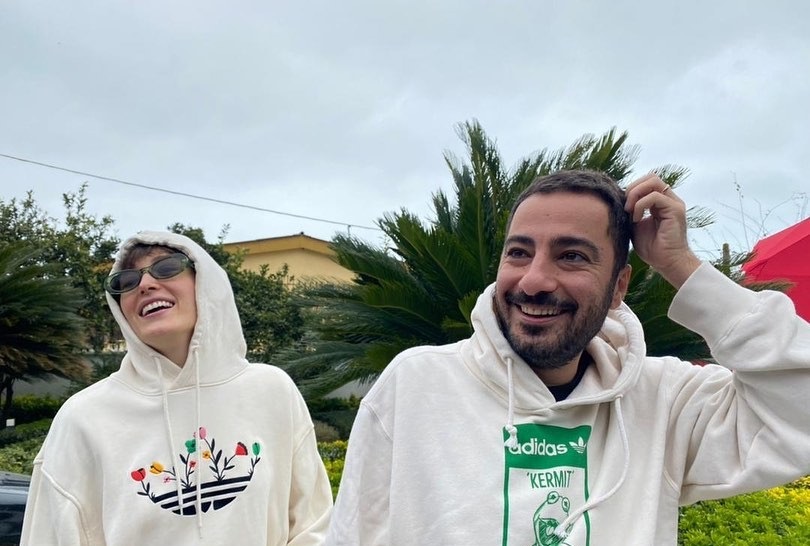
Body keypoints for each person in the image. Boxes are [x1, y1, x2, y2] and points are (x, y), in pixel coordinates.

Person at [326, 170, 810, 545]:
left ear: (618, 286)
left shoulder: (665, 401)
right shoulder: (416, 384)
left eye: (572, 256)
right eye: (519, 252)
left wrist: (680, 264)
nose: (534, 280)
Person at [21, 231, 333, 545]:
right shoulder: (84, 418)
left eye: (167, 268)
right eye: (126, 282)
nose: (145, 285)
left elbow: (314, 524)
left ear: (206, 282)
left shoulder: (271, 391)